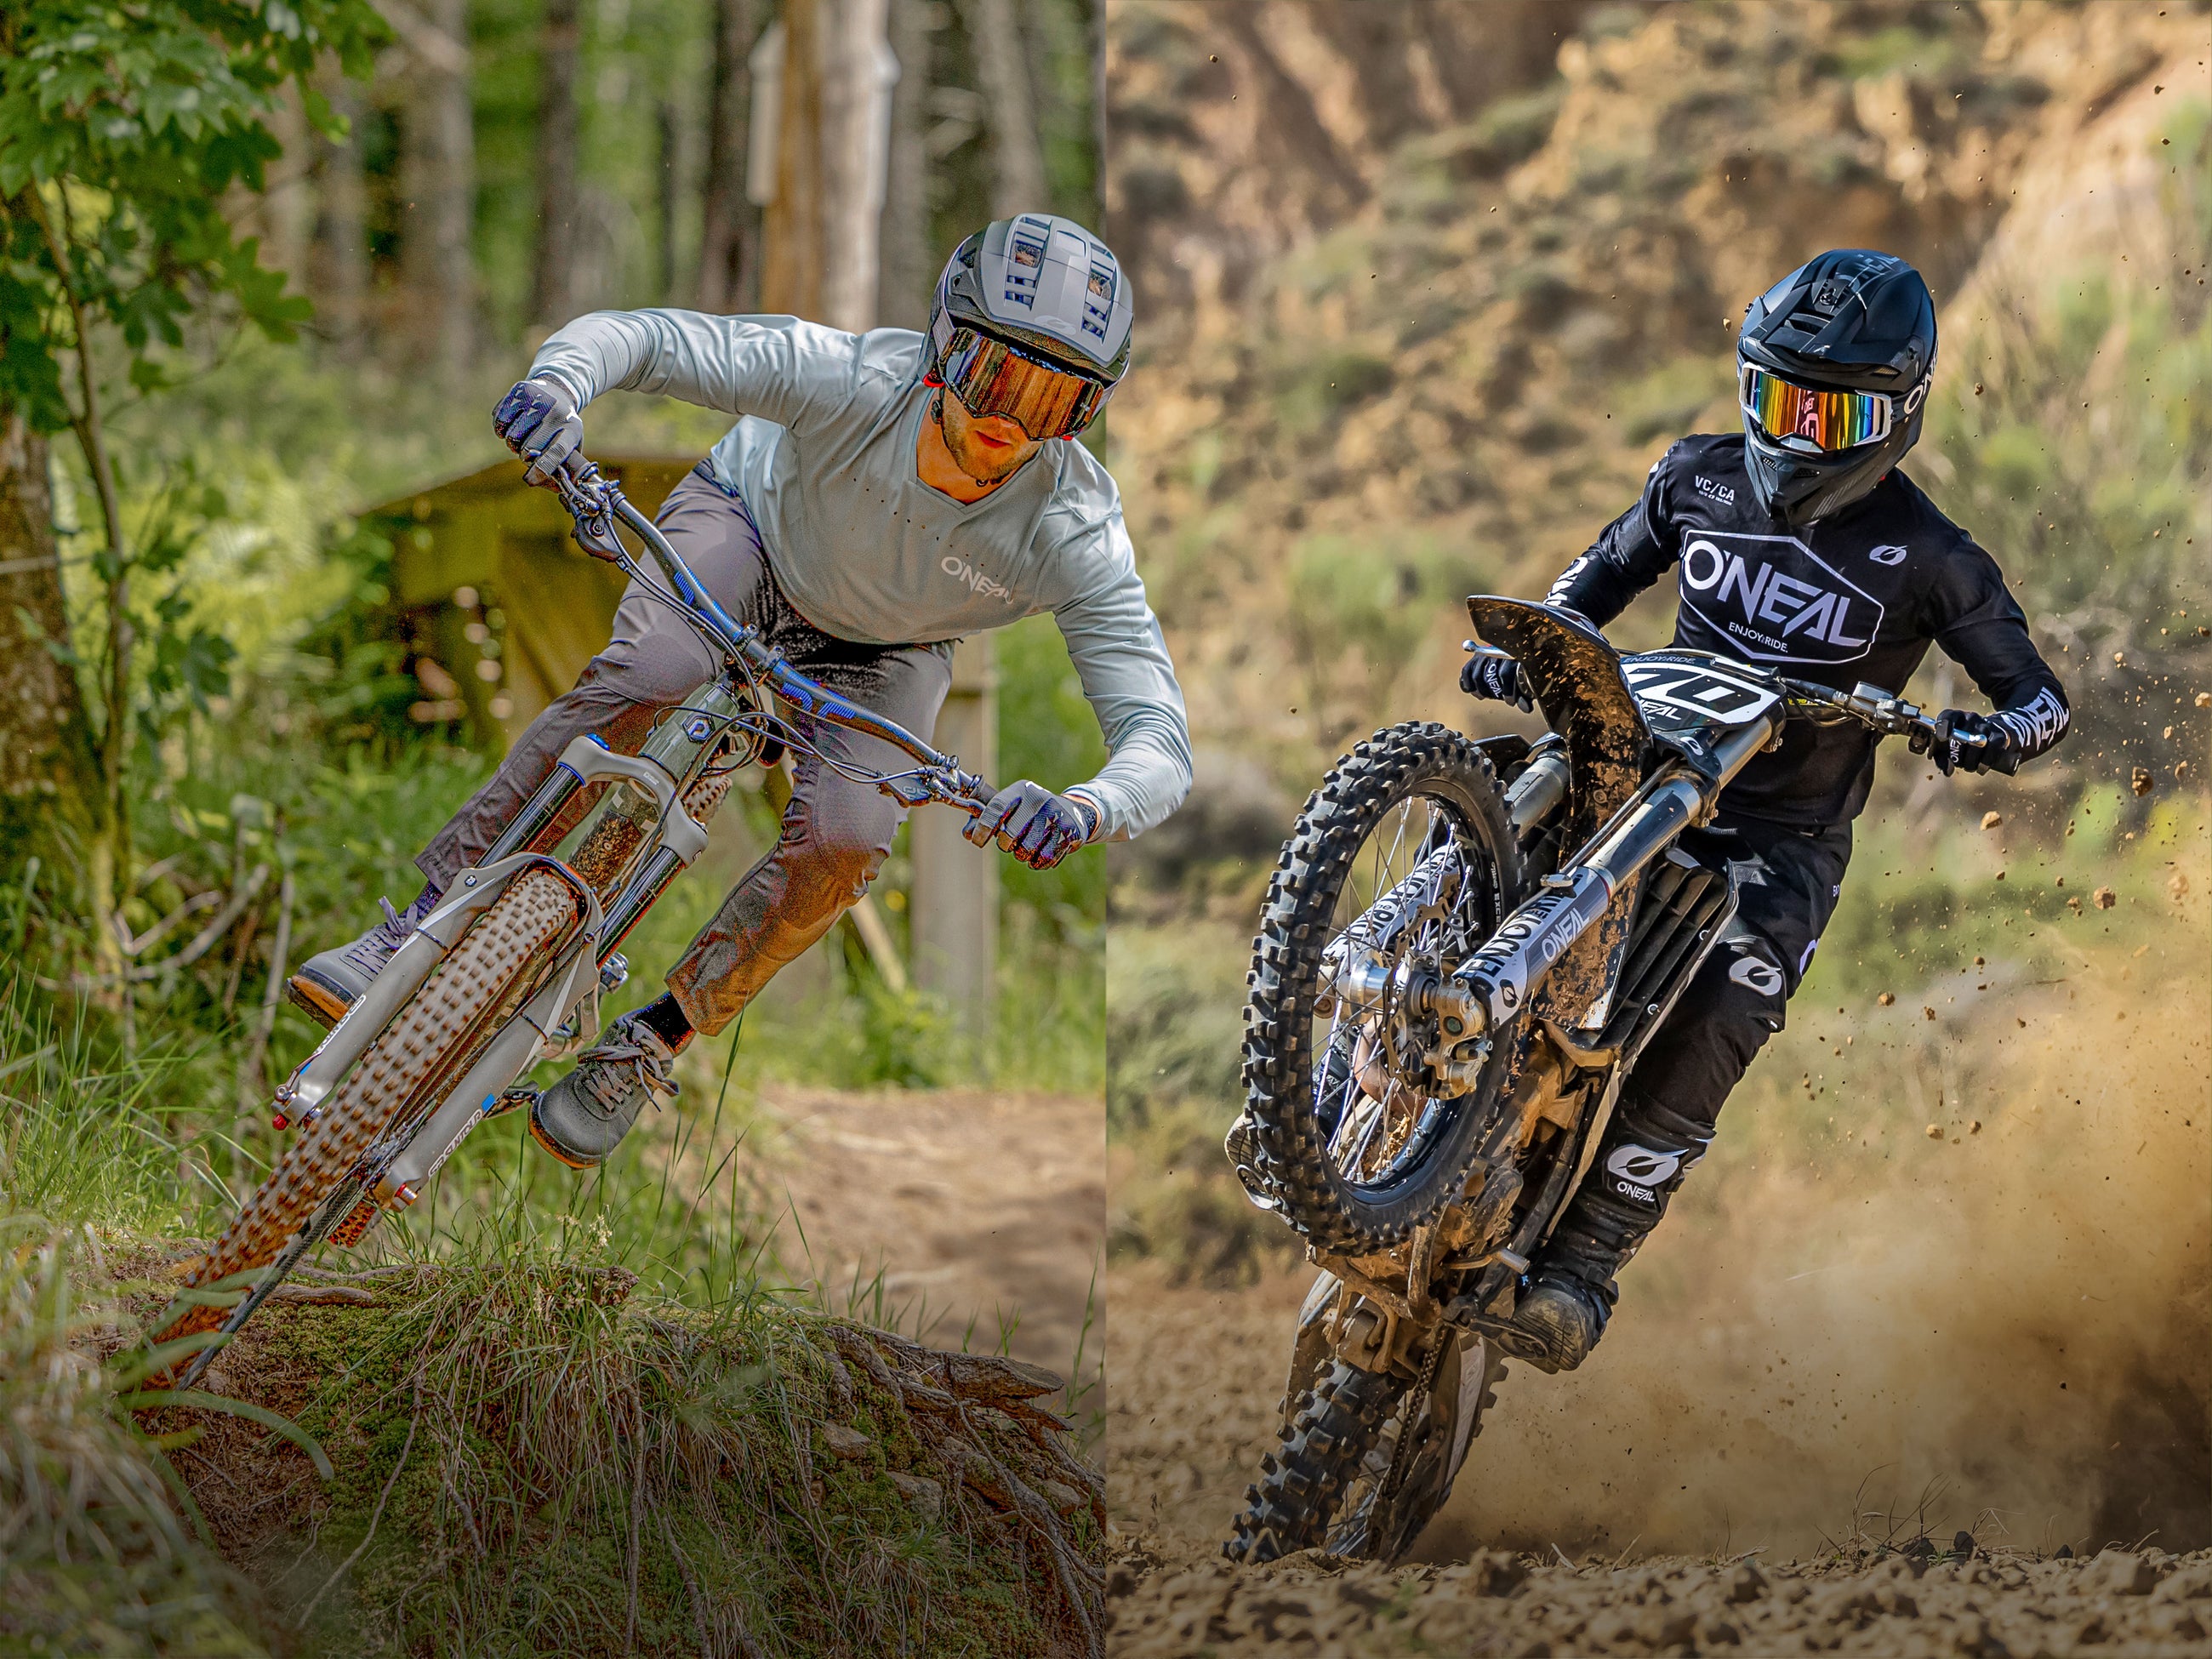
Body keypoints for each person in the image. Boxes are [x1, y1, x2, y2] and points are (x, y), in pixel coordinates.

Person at [290, 214, 1190, 1169]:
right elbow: (646, 338)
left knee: (846, 842)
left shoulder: (1074, 528)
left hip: (888, 650)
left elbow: (1157, 736)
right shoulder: (853, 380)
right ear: (942, 344)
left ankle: (653, 1039)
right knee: (652, 675)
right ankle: (418, 928)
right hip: (748, 534)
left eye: (1054, 400)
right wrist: (557, 387)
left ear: (1086, 416)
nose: (1010, 417)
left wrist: (1086, 807)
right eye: (995, 374)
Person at [1461, 248, 2071, 1372]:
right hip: (1636, 766)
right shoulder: (1693, 476)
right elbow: (1587, 590)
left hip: (1780, 842)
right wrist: (1533, 648)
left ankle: (1582, 1264)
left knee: (1730, 1004)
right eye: (1776, 398)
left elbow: (2039, 700)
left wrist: (1983, 733)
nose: (1795, 435)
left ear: (1897, 416)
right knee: (1487, 806)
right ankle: (1354, 1063)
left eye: (1829, 415)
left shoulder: (1932, 557)